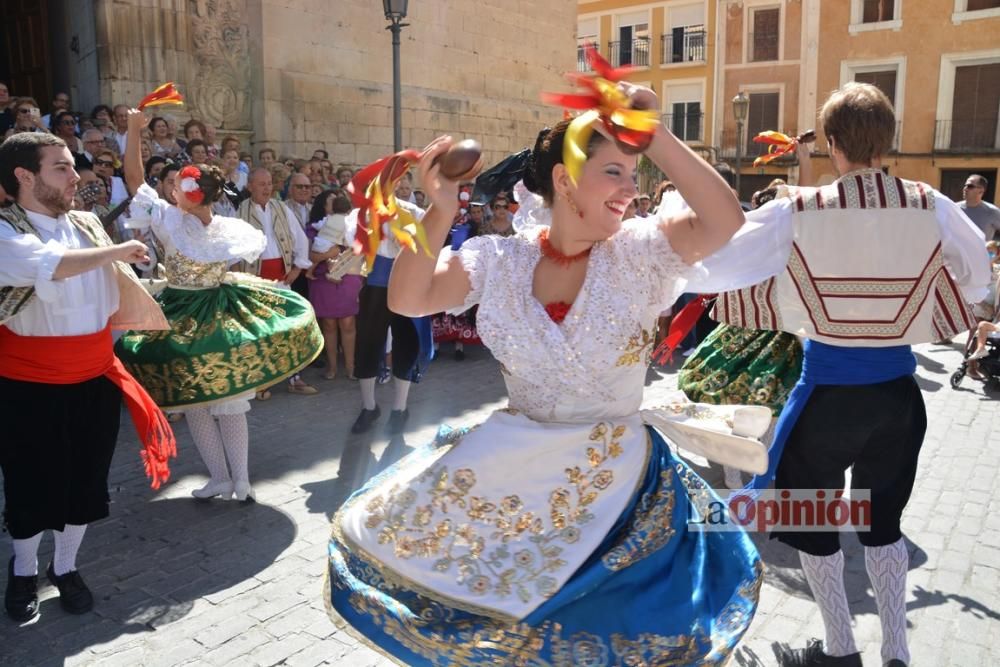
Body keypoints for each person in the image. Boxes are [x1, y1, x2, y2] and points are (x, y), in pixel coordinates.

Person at [325, 80, 785, 664]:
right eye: (614, 172)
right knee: (514, 630)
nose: (630, 189)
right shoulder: (499, 259)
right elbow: (410, 300)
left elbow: (724, 219)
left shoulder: (643, 250)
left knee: (600, 633)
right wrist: (441, 209)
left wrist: (655, 133)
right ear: (565, 181)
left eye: (633, 173)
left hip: (620, 481)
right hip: (515, 473)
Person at [712, 83, 990, 667]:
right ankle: (897, 652)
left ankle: (841, 650)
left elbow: (724, 266)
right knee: (883, 520)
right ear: (887, 143)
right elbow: (976, 280)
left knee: (816, 524)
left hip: (828, 398)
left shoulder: (797, 207)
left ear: (832, 144)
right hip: (897, 398)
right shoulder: (932, 204)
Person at [0, 131, 173, 623]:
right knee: (30, 485)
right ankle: (23, 570)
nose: (76, 176)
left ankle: (67, 566)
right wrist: (119, 252)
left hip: (95, 376)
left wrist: (138, 259)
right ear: (24, 176)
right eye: (61, 167)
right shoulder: (5, 232)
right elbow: (47, 267)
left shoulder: (88, 225)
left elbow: (115, 291)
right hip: (26, 385)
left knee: (86, 481)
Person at [115, 110, 323, 502]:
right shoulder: (225, 226)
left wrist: (132, 130)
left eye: (177, 185)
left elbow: (133, 180)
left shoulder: (169, 220)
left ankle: (223, 477)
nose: (171, 190)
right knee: (228, 400)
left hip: (181, 313)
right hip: (221, 310)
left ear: (184, 194)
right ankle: (239, 481)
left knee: (197, 401)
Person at [237, 167, 317, 397]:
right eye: (261, 184)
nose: (266, 188)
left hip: (282, 279)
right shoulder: (239, 213)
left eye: (269, 183)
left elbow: (300, 240)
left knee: (287, 329)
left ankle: (295, 378)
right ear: (250, 186)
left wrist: (296, 268)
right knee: (260, 331)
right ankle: (262, 381)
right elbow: (232, 251)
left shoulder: (281, 208)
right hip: (255, 282)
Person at [306, 190, 363, 380]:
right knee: (329, 324)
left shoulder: (350, 225)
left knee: (348, 323)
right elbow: (311, 257)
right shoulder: (315, 228)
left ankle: (351, 366)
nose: (335, 203)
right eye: (331, 200)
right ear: (324, 206)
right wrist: (330, 253)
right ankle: (332, 368)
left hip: (348, 277)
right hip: (323, 281)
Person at [959, 174, 1000, 242]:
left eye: (970, 186)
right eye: (965, 185)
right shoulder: (955, 208)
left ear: (981, 191)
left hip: (981, 252)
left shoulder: (992, 211)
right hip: (955, 252)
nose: (965, 189)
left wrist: (996, 246)